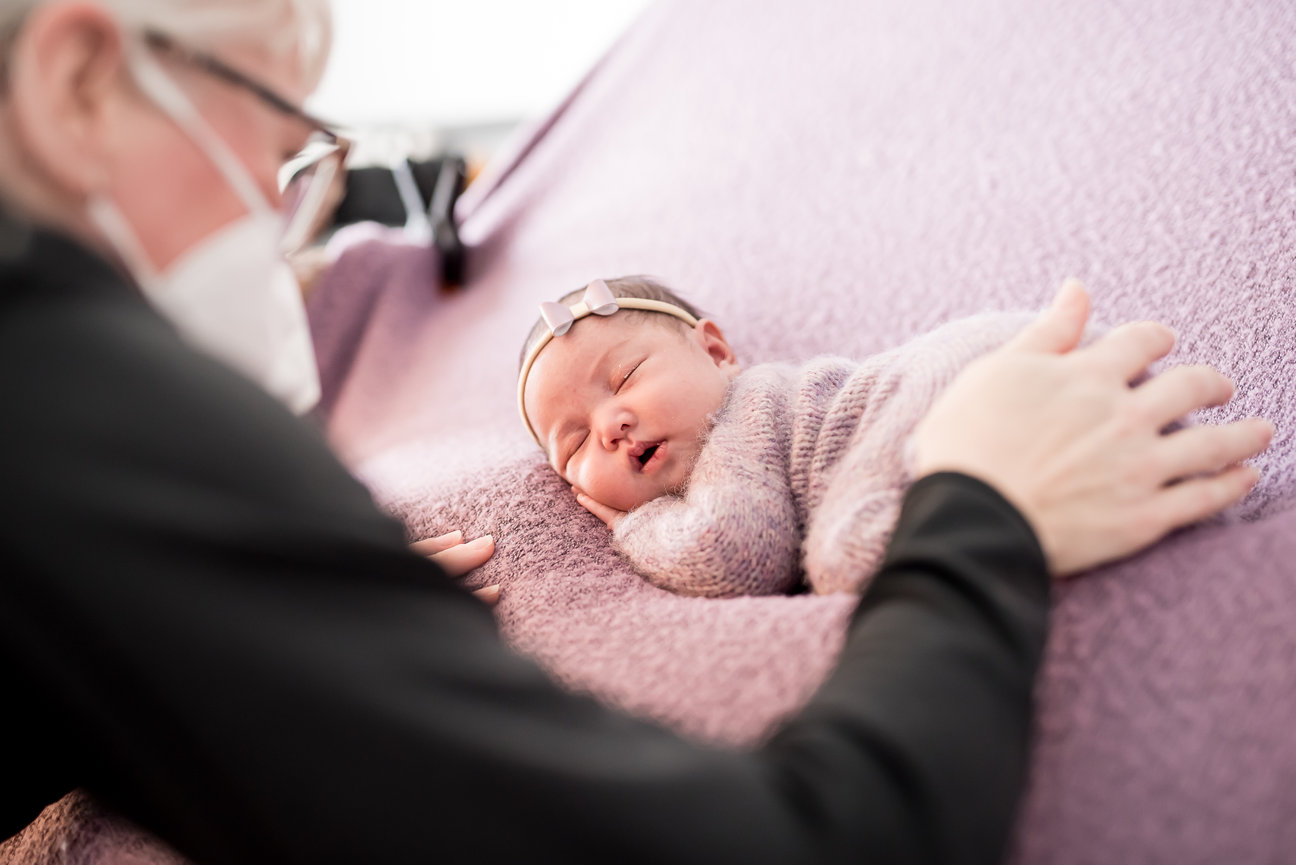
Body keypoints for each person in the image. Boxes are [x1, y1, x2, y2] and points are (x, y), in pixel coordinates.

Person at [0, 2, 1273, 865]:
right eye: (283, 148)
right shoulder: (83, 414)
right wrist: (980, 507)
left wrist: (228, 629)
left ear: (716, 344)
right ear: (74, 78)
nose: (293, 218)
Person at [518, 275, 1034, 597]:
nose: (610, 426)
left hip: (944, 379)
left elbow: (734, 557)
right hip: (975, 380)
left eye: (626, 377)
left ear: (717, 355)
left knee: (846, 560)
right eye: (576, 441)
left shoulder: (745, 413)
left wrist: (637, 525)